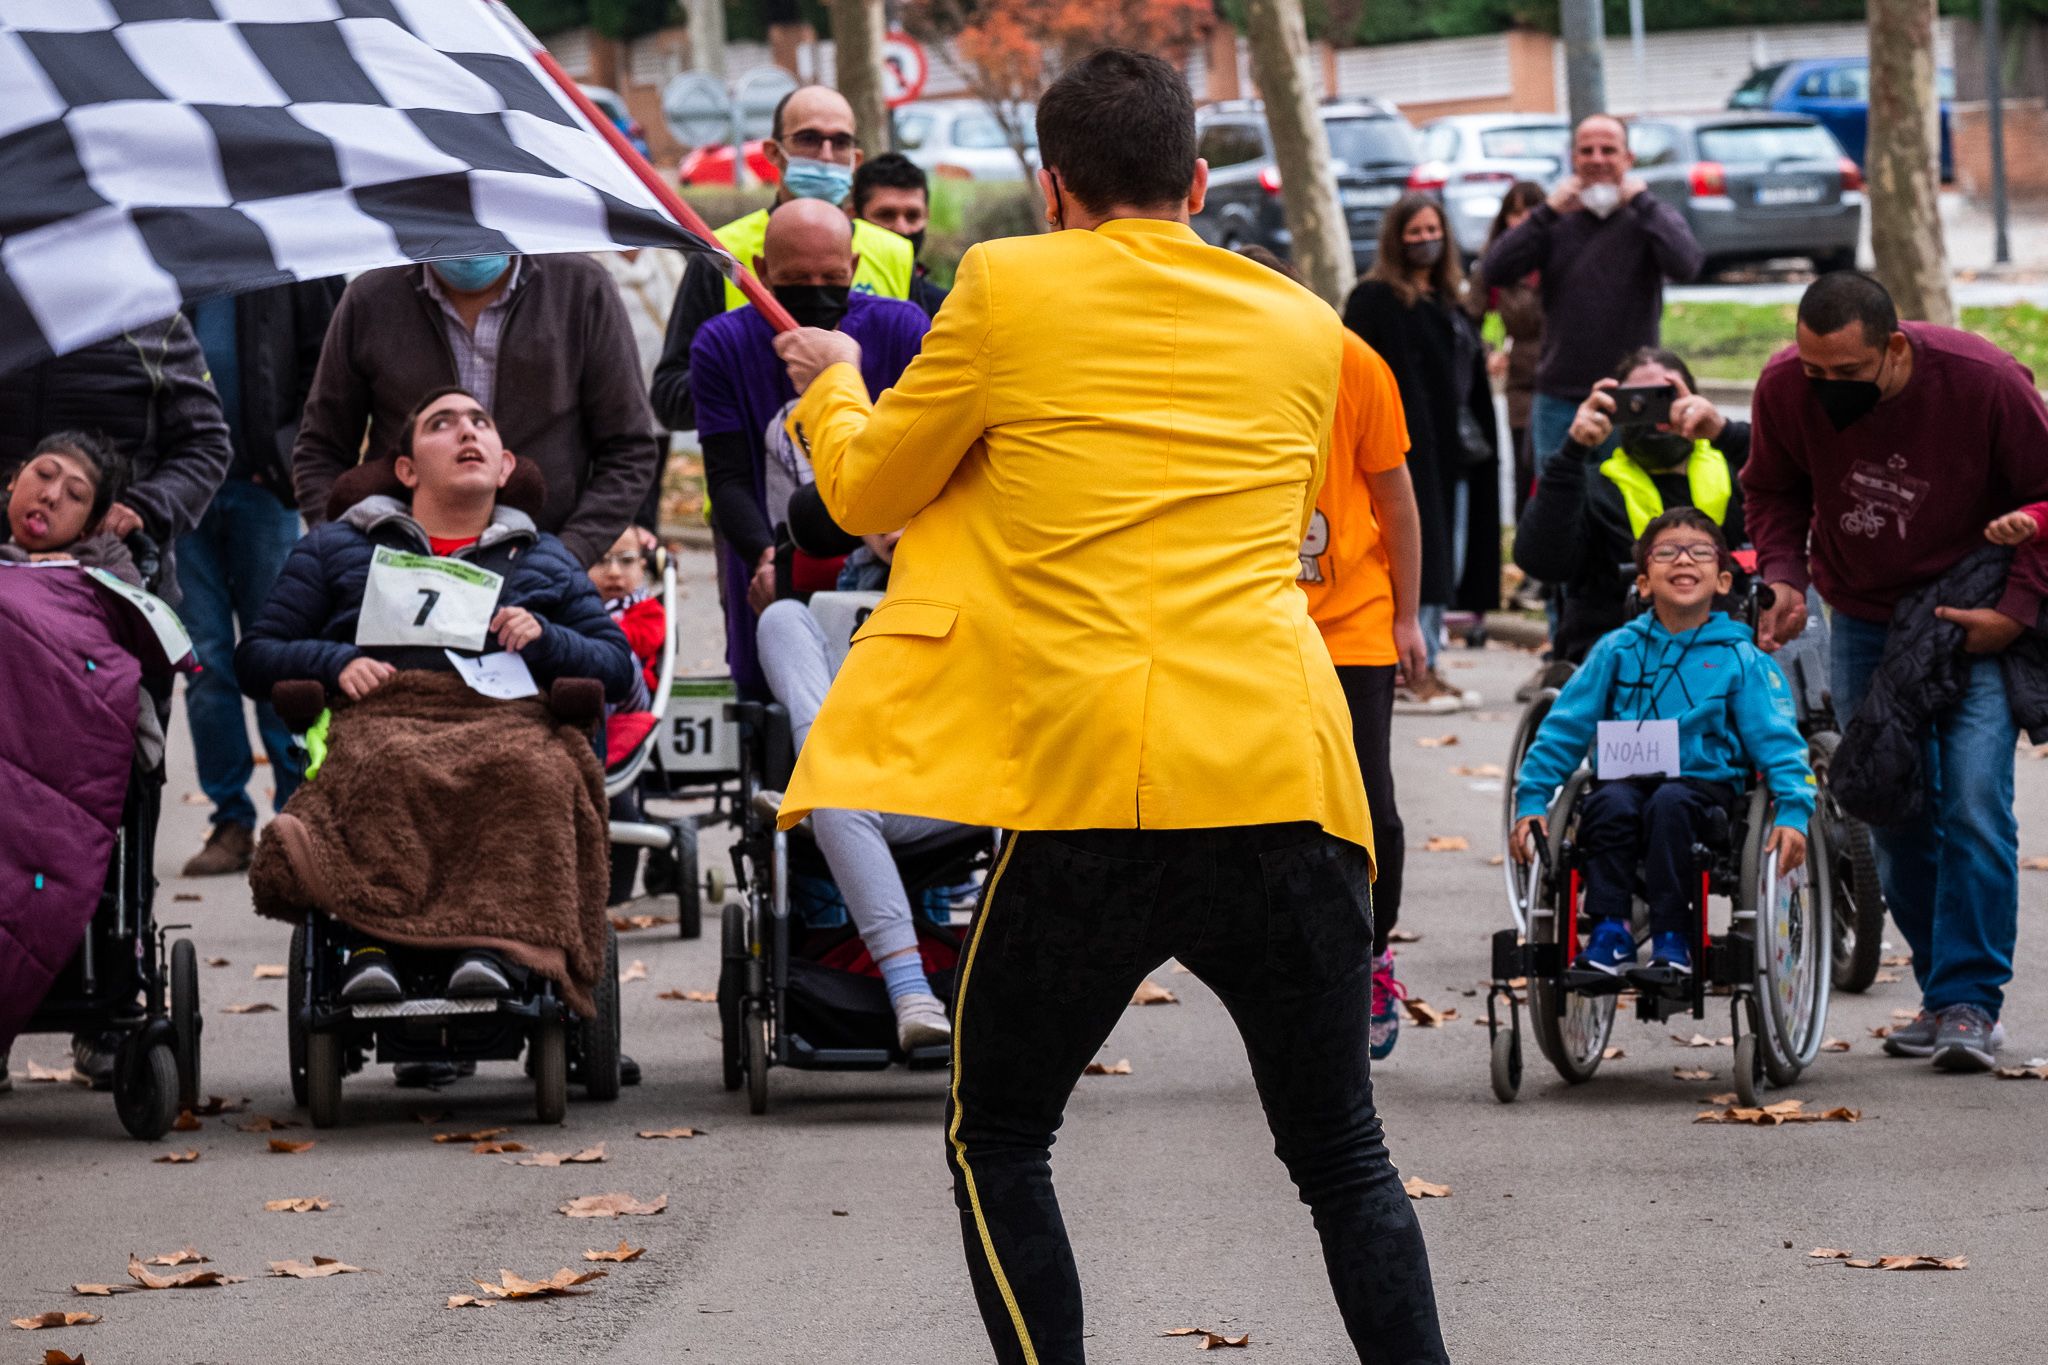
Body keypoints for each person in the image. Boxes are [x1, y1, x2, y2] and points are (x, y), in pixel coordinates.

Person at [771, 48, 1445, 1364]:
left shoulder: (1007, 286)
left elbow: (865, 496)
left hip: (1096, 784)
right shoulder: (1308, 325)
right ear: (1197, 180)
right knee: (1346, 1159)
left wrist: (832, 377)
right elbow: (1294, 519)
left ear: (1052, 185)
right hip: (1285, 777)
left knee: (998, 1134)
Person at [239, 387, 636, 1063]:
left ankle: (493, 942)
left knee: (530, 770)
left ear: (505, 465)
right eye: (442, 424)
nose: (467, 433)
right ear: (406, 469)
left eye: (481, 421)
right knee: (385, 762)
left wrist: (547, 640)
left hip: (508, 719)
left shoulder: (543, 560)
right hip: (384, 715)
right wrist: (334, 661)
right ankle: (372, 944)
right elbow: (257, 655)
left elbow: (619, 669)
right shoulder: (338, 548)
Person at [1745, 271, 2048, 1072]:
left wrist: (2015, 612)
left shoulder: (1984, 381)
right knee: (1887, 804)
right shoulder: (1785, 385)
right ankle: (1940, 987)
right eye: (1815, 373)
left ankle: (1969, 1003)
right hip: (1866, 619)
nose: (1826, 390)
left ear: (1895, 348)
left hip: (1966, 616)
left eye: (1846, 375)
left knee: (1977, 799)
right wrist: (1784, 575)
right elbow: (1774, 490)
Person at [1240, 243, 1426, 1061]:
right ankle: (1287, 966)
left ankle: (1374, 951)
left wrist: (1410, 618)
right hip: (1241, 622)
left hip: (1350, 621)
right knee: (1259, 809)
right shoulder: (1210, 360)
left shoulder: (1354, 363)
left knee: (1370, 805)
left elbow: (1396, 497)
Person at [1511, 509, 1813, 980]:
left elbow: (1777, 740)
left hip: (1703, 787)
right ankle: (1610, 931)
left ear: (1723, 580)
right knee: (1605, 805)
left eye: (1700, 552)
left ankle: (1674, 935)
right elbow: (1564, 729)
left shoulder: (1741, 658)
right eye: (1666, 552)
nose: (1683, 560)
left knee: (1671, 804)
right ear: (1645, 582)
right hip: (1623, 780)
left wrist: (1795, 808)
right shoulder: (1616, 649)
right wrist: (1531, 801)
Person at [690, 198, 929, 694]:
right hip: (775, 561)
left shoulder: (902, 328)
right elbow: (729, 475)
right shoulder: (721, 344)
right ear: (760, 271)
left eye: (831, 278)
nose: (816, 294)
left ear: (855, 269)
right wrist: (765, 559)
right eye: (797, 282)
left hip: (896, 563)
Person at [291, 254, 660, 568]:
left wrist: (568, 556)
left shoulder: (580, 288)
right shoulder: (370, 299)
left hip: (541, 565)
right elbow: (320, 450)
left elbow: (629, 449)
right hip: (399, 571)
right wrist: (348, 552)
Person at [175, 280, 342, 878]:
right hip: (182, 492)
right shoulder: (166, 254)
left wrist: (287, 456)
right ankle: (231, 821)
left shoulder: (282, 260)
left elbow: (325, 364)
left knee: (280, 657)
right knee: (206, 662)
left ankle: (299, 814)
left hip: (265, 489)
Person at [649, 85, 916, 432]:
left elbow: (920, 388)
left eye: (840, 143)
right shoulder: (721, 254)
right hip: (751, 481)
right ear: (773, 152)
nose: (825, 154)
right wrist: (758, 370)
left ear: (856, 160)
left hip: (865, 477)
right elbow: (669, 401)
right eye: (808, 139)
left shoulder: (894, 251)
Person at [1480, 114, 1704, 471]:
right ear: (1573, 158)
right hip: (1560, 396)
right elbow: (1495, 269)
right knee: (1560, 509)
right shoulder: (1555, 222)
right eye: (1587, 151)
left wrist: (1643, 202)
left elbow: (1687, 263)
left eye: (1608, 150)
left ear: (1628, 159)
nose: (1597, 159)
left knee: (1635, 513)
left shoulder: (1646, 218)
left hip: (1635, 395)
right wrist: (1547, 212)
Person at [1342, 193, 1494, 709]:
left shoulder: (1448, 301)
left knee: (1445, 559)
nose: (1425, 240)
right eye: (1414, 232)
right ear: (1395, 238)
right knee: (1419, 555)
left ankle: (1427, 657)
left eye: (1433, 230)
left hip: (1457, 450)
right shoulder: (1375, 300)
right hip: (1406, 447)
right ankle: (1412, 666)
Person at [1514, 347, 1748, 666]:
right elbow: (1541, 560)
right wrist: (1573, 449)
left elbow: (1797, 473)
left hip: (1729, 652)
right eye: (1637, 403)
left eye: (1666, 398)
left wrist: (1723, 431)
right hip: (1621, 662)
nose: (1655, 416)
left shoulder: (1737, 475)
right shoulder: (1594, 488)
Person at [0, 315, 231, 608]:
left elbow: (206, 444)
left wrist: (145, 509)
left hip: (114, 579)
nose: (52, 494)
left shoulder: (150, 316)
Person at [1467, 180, 1546, 518]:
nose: (1524, 219)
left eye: (1532, 210)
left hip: (1565, 378)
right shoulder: (1495, 265)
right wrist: (1490, 350)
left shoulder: (1562, 258)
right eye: (1515, 212)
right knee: (1525, 466)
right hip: (1523, 382)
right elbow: (1468, 318)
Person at [853, 152, 950, 317]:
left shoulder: (944, 308)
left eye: (912, 216)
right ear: (853, 216)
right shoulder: (835, 296)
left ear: (926, 216)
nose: (902, 229)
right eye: (886, 215)